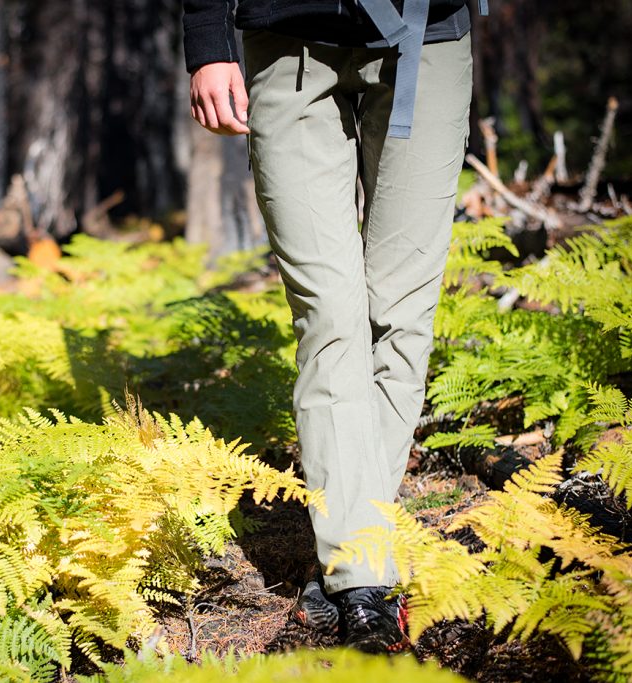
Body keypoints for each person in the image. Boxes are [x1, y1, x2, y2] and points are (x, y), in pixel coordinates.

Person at [182, 0, 477, 653]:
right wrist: (207, 36)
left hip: (429, 38)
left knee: (398, 312)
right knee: (329, 312)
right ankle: (364, 578)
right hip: (288, 38)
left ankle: (354, 560)